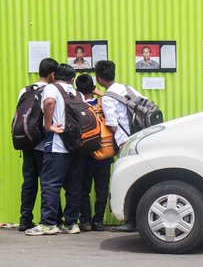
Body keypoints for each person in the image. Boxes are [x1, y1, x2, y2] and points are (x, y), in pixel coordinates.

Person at [25, 64, 85, 236]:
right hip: (76, 146)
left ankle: (48, 223)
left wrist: (47, 125)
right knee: (73, 186)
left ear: (54, 76)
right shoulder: (76, 93)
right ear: (72, 78)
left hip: (58, 145)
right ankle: (71, 223)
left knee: (51, 185)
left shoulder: (52, 88)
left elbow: (49, 102)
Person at [95, 60, 144, 232]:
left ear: (99, 79)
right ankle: (138, 219)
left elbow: (113, 125)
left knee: (128, 180)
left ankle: (130, 221)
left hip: (125, 142)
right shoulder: (127, 88)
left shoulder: (108, 98)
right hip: (140, 138)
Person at [16, 58, 58, 231]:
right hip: (42, 143)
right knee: (47, 183)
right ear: (52, 75)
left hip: (26, 142)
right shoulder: (49, 91)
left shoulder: (24, 90)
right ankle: (46, 220)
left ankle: (25, 219)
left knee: (29, 182)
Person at [75, 74, 113, 232]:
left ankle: (85, 221)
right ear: (93, 87)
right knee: (101, 188)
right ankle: (98, 221)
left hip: (84, 154)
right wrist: (99, 93)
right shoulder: (102, 103)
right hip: (104, 151)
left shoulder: (77, 105)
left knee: (83, 188)